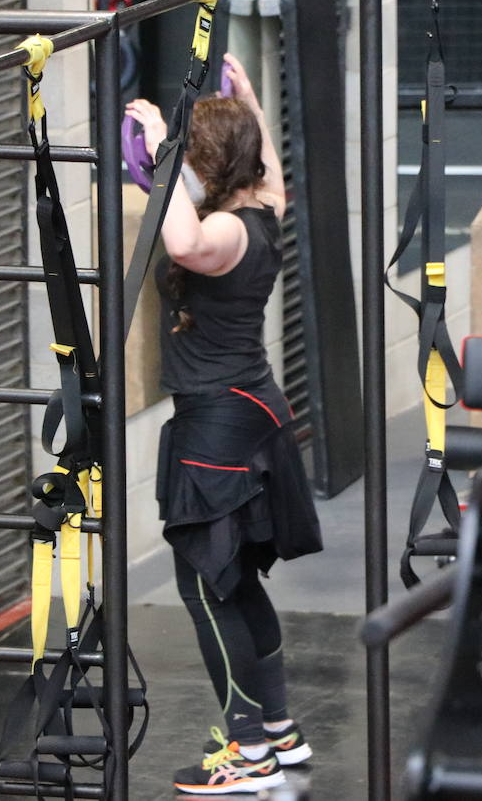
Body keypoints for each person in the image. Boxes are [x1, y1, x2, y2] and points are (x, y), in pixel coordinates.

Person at [125, 53, 323, 795]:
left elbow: (179, 243)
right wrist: (250, 107)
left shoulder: (230, 233)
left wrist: (166, 149)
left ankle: (247, 750)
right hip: (245, 409)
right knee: (234, 579)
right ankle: (277, 728)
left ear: (209, 165)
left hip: (221, 421)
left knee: (206, 585)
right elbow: (268, 166)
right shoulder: (266, 205)